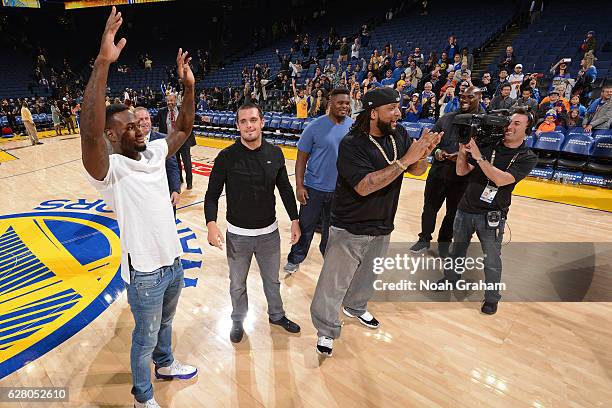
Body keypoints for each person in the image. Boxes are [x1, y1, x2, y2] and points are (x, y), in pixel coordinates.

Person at [80, 8, 197, 408]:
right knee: (143, 337)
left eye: (140, 122)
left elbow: (182, 128)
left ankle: (165, 366)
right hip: (145, 271)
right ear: (112, 135)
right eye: (130, 125)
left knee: (164, 327)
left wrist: (189, 88)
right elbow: (90, 130)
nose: (140, 127)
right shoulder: (108, 169)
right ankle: (142, 397)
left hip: (174, 261)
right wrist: (102, 62)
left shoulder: (153, 152)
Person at [310, 87, 443, 357]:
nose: (398, 113)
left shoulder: (399, 134)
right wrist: (407, 159)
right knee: (333, 283)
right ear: (373, 113)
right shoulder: (352, 143)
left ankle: (355, 307)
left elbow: (416, 170)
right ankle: (326, 328)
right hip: (350, 225)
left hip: (383, 222)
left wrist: (424, 153)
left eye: (398, 107)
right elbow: (364, 186)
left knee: (368, 275)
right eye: (391, 109)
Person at [204, 102, 302, 343]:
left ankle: (277, 315)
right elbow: (212, 194)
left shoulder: (275, 153)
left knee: (273, 280)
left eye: (253, 120)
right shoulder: (226, 157)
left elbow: (286, 190)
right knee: (237, 284)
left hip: (269, 234)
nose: (249, 125)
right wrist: (211, 223)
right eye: (244, 121)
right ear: (237, 126)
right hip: (237, 236)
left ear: (262, 122)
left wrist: (295, 219)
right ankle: (238, 320)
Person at [436, 107, 538, 315]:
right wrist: (464, 152)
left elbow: (501, 180)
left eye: (517, 123)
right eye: (509, 122)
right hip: (465, 209)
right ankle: (451, 279)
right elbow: (461, 171)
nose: (509, 126)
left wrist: (480, 158)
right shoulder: (489, 144)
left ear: (528, 129)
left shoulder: (527, 157)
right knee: (457, 250)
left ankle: (492, 298)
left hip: (492, 215)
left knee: (491, 259)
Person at [284, 88, 352, 274]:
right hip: (313, 188)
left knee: (332, 232)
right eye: (340, 103)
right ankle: (295, 258)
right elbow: (301, 158)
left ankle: (329, 260)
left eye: (347, 103)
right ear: (330, 103)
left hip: (339, 191)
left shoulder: (352, 127)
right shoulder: (314, 126)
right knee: (306, 228)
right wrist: (299, 185)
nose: (344, 106)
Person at [411, 86, 483, 257]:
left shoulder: (484, 122)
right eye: (462, 96)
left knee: (453, 213)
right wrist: (438, 152)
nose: (464, 100)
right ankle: (424, 239)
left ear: (479, 97)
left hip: (463, 177)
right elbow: (432, 142)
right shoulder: (447, 118)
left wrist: (462, 156)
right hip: (438, 172)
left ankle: (444, 244)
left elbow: (484, 150)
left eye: (470, 97)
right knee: (429, 208)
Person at [134, 107, 181, 215]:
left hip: (163, 193)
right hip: (140, 196)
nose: (145, 122)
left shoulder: (164, 140)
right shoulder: (129, 142)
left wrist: (175, 189)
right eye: (140, 119)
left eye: (147, 118)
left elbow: (172, 167)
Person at [156, 93, 196, 190]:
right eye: (168, 101)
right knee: (176, 162)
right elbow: (155, 121)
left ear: (175, 101)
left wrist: (202, 118)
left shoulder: (182, 110)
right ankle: (179, 179)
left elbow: (192, 116)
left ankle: (189, 182)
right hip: (171, 141)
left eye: (172, 101)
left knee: (187, 162)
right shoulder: (162, 112)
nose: (170, 103)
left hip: (183, 140)